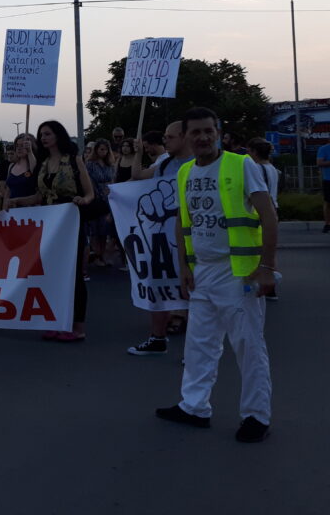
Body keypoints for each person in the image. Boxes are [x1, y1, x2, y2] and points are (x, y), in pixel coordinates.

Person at [155, 107, 278, 443]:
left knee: (248, 345)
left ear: (219, 133)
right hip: (203, 271)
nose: (203, 137)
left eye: (209, 131)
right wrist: (184, 266)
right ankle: (194, 407)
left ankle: (256, 416)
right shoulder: (185, 172)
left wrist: (267, 268)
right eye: (195, 132)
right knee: (199, 345)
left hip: (238, 272)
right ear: (186, 137)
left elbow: (268, 215)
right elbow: (183, 222)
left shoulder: (241, 165)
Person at [7, 121, 94, 342]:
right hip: (49, 223)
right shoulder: (43, 163)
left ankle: (77, 326)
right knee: (53, 273)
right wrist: (17, 201)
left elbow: (89, 192)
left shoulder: (74, 160)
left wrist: (83, 200)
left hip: (70, 221)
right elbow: (39, 196)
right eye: (41, 134)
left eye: (47, 134)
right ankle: (57, 320)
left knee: (73, 274)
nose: (44, 138)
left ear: (58, 135)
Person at [126, 121, 193, 356]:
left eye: (170, 137)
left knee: (193, 291)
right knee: (159, 286)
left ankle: (195, 349)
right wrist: (138, 153)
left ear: (184, 137)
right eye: (164, 137)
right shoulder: (164, 164)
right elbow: (137, 175)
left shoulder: (199, 163)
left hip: (191, 237)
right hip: (164, 236)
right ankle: (157, 338)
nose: (165, 141)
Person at [83, 140, 116, 268]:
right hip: (95, 198)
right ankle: (97, 255)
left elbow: (112, 180)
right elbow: (88, 181)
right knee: (95, 230)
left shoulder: (110, 165)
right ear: (96, 150)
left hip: (107, 199)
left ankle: (102, 254)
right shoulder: (90, 164)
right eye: (101, 149)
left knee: (104, 229)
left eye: (105, 149)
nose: (103, 152)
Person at [0, 133, 37, 211]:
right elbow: (8, 191)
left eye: (23, 145)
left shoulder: (33, 164)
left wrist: (29, 151)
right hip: (13, 211)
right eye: (17, 146)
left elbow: (35, 171)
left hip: (30, 210)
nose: (19, 148)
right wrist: (4, 210)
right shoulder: (11, 166)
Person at [247, 138, 279, 211]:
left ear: (255, 152)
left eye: (248, 151)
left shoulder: (256, 168)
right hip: (272, 207)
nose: (247, 155)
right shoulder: (272, 168)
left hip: (260, 209)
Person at [319, 139, 330, 233]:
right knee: (328, 202)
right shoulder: (323, 149)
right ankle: (327, 224)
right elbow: (319, 162)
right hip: (328, 179)